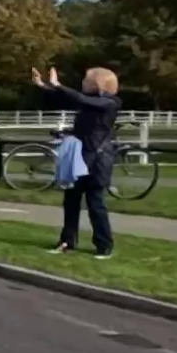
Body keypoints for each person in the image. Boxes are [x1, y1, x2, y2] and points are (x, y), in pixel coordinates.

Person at [34, 66, 121, 259]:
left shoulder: (110, 103)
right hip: (79, 155)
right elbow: (68, 99)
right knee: (71, 200)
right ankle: (67, 241)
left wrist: (58, 85)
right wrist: (45, 86)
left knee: (95, 203)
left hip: (98, 159)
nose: (82, 83)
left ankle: (104, 245)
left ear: (98, 83)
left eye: (86, 80)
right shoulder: (88, 103)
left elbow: (82, 99)